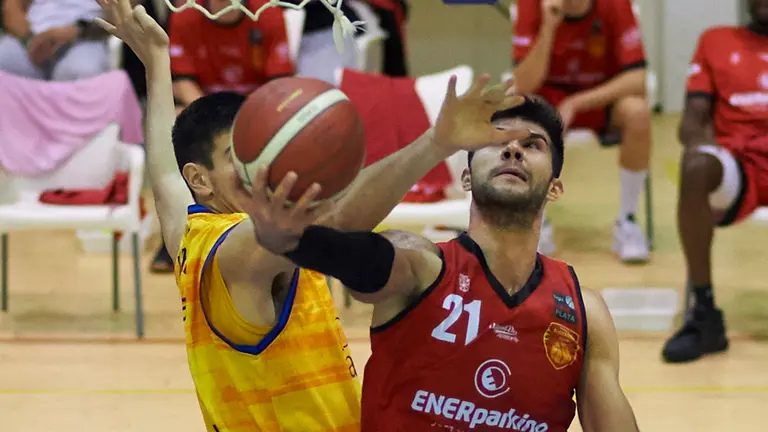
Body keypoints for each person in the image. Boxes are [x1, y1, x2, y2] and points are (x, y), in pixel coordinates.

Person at [95, 0, 527, 429]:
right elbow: (336, 224)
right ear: (202, 180)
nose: (258, 165)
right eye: (238, 155)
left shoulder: (186, 235)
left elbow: (167, 175)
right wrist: (434, 144)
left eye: (261, 151)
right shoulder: (237, 248)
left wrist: (155, 60)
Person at [252, 96, 639, 431]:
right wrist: (295, 241)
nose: (513, 150)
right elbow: (347, 245)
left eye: (533, 145)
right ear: (466, 178)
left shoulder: (583, 313)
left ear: (554, 186)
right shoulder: (422, 269)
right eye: (496, 141)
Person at [149, 0, 296, 273]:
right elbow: (182, 81)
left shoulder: (268, 13)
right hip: (207, 107)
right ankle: (179, 229)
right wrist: (213, 119)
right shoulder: (185, 14)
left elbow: (278, 84)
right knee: (179, 124)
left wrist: (243, 117)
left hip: (258, 108)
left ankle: (281, 227)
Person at [662, 0, 768, 364]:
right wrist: (699, 147)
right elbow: (692, 120)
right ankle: (704, 313)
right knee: (695, 167)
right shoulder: (716, 40)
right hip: (740, 163)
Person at [513, 0, 651, 263]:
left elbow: (637, 78)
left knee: (638, 114)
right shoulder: (530, 5)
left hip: (598, 98)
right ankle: (536, 218)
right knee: (521, 115)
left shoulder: (616, 6)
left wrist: (576, 104)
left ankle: (628, 221)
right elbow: (523, 83)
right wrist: (549, 28)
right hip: (547, 101)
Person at [0, 0, 111, 80]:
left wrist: (79, 30)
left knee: (83, 73)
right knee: (3, 62)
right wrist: (30, 41)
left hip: (85, 38)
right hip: (32, 37)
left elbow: (119, 19)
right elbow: (11, 7)